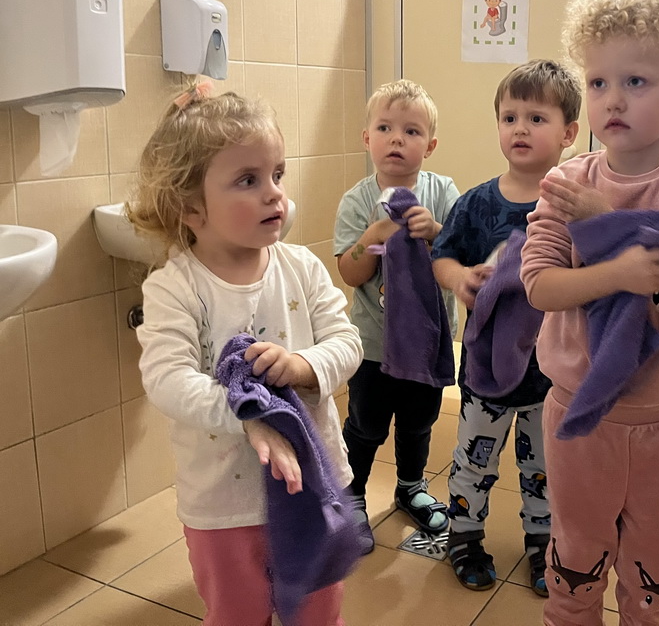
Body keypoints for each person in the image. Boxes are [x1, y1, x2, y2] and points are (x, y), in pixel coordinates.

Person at [520, 0, 659, 625]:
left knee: (655, 565)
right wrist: (616, 269)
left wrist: (608, 225)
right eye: (598, 82)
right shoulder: (566, 184)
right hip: (577, 413)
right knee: (576, 555)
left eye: (635, 81)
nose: (612, 100)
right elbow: (540, 285)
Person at [131, 87, 363, 626]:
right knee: (237, 612)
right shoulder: (175, 288)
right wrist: (249, 413)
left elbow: (346, 340)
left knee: (318, 611)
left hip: (311, 482)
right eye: (248, 180)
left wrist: (305, 366)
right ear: (191, 207)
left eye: (277, 174)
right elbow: (167, 378)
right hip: (225, 506)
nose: (274, 193)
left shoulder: (301, 267)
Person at [431, 60, 581, 595]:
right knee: (474, 459)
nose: (520, 128)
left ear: (568, 133)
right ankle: (464, 535)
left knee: (546, 465)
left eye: (536, 118)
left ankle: (543, 542)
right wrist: (459, 279)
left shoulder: (572, 205)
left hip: (553, 371)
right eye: (509, 117)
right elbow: (441, 255)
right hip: (486, 368)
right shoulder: (476, 203)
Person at [333, 79, 460, 542]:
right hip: (374, 345)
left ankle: (410, 486)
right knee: (365, 425)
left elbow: (461, 254)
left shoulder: (442, 192)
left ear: (430, 145)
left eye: (411, 131)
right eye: (385, 128)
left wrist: (436, 231)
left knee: (418, 421)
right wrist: (374, 235)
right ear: (367, 138)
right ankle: (350, 494)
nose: (396, 139)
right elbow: (350, 272)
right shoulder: (357, 201)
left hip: (426, 342)